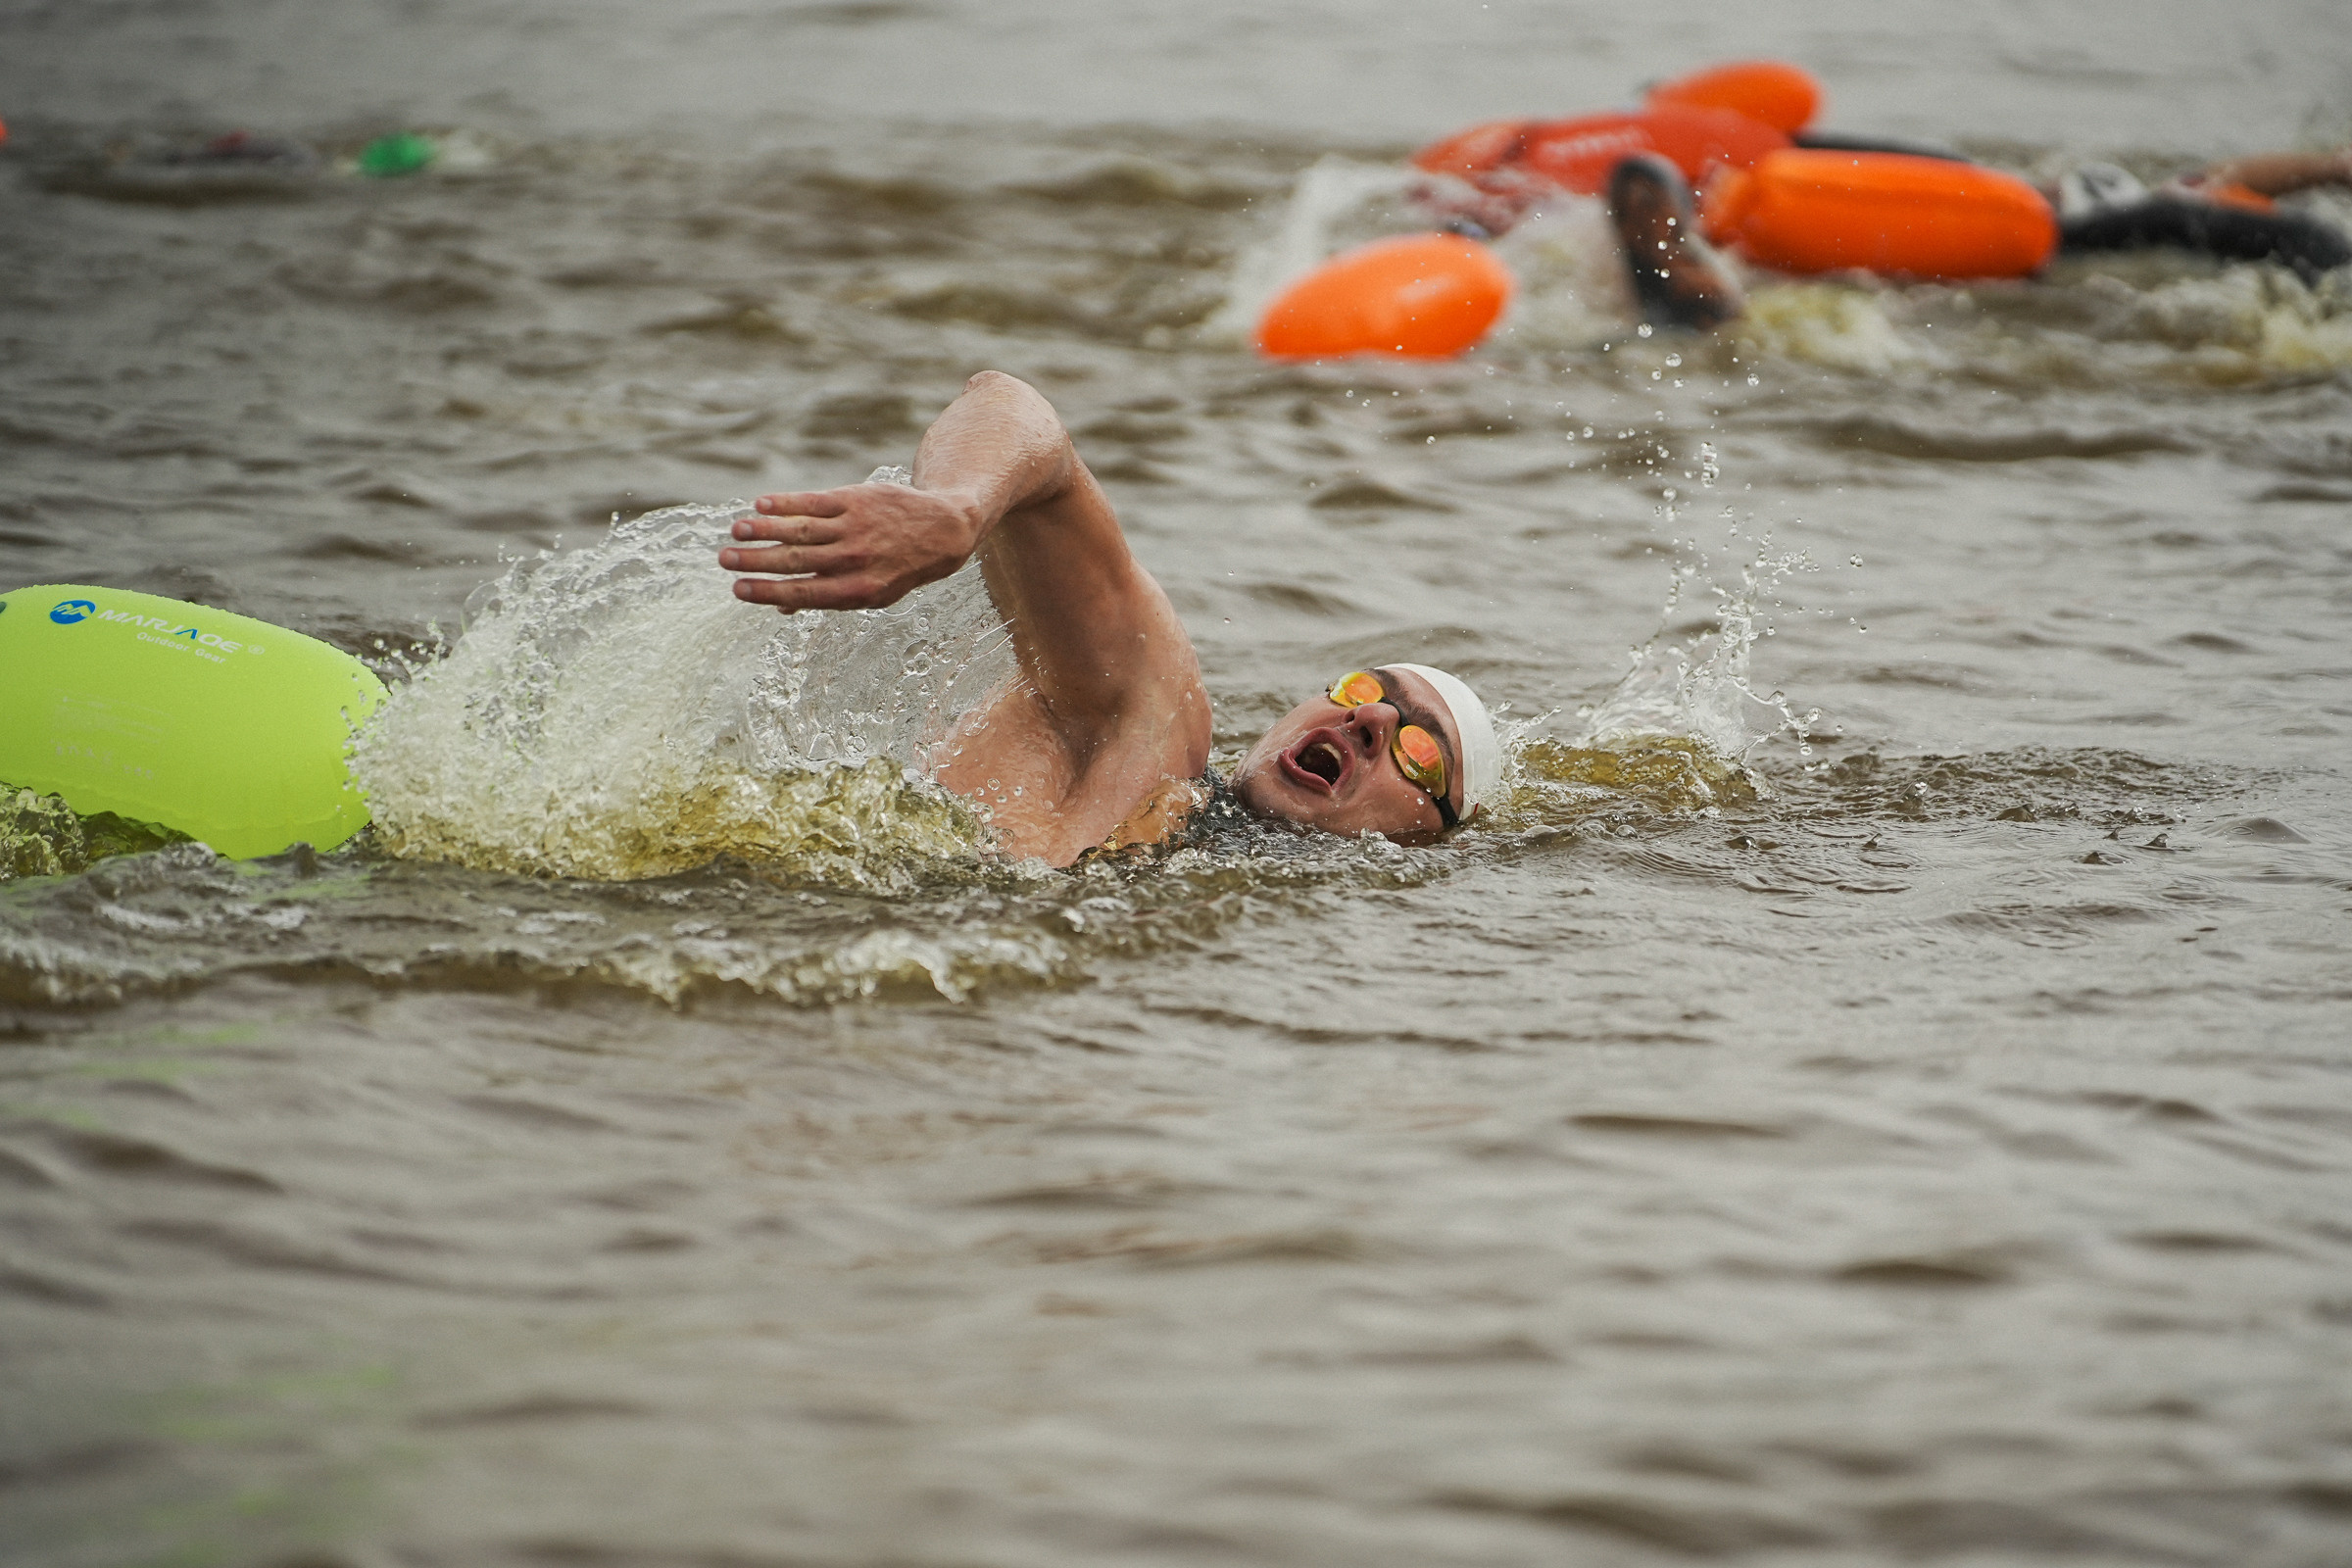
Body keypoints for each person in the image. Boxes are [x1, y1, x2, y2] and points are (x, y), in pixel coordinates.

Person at [717, 370, 1503, 866]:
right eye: (1366, 688)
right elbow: (1013, 407)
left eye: (1421, 752)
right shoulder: (1151, 726)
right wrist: (956, 510)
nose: (1369, 720)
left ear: (1427, 835)